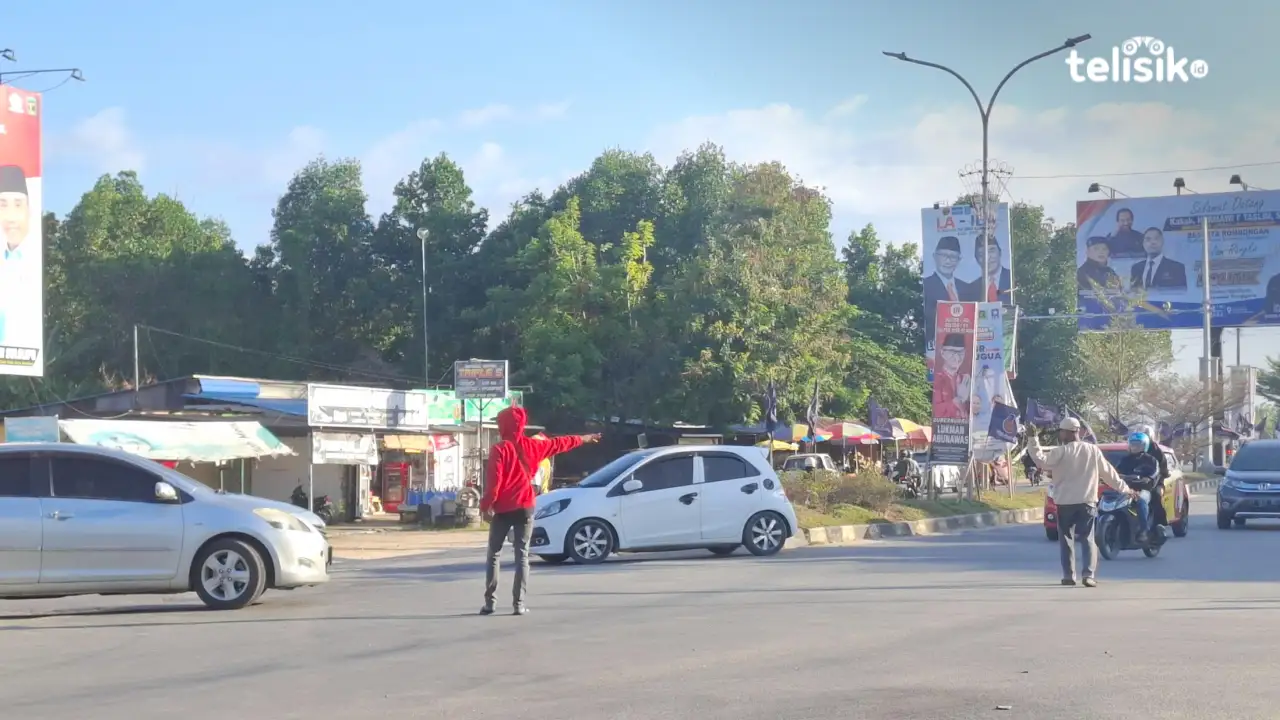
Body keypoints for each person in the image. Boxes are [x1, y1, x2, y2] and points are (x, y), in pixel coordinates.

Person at [479, 406, 600, 616]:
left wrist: (485, 507)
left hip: (502, 509)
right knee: (522, 555)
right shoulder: (535, 446)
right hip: (525, 506)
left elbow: (494, 484)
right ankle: (519, 604)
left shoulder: (499, 450)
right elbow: (563, 443)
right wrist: (587, 438)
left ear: (503, 426)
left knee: (494, 554)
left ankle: (490, 602)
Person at [1026, 417, 1136, 587]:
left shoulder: (1060, 452)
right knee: (1088, 539)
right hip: (1087, 502)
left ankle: (1069, 576)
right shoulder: (1093, 450)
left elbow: (1041, 460)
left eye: (1061, 431)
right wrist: (1126, 489)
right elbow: (1109, 474)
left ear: (1067, 433)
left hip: (1065, 503)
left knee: (1066, 539)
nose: (1060, 434)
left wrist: (1033, 439)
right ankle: (1088, 575)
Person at [923, 235, 968, 333]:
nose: (948, 261)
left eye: (953, 257)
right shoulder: (925, 285)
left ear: (959, 260)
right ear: (935, 257)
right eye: (943, 256)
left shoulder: (967, 288)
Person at [961, 235, 1012, 304]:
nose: (987, 257)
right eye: (982, 254)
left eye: (991, 251)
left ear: (1000, 252)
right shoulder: (971, 289)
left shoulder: (1012, 278)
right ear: (977, 259)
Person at [932, 333, 971, 419]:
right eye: (952, 352)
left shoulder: (965, 379)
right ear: (942, 352)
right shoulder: (936, 379)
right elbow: (936, 411)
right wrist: (958, 400)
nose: (957, 358)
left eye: (960, 353)